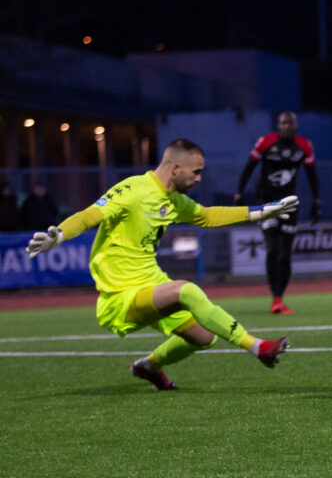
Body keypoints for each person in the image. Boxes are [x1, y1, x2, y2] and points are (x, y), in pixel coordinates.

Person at [26, 139, 298, 390]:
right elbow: (88, 216)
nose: (199, 178)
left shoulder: (174, 200)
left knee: (204, 337)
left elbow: (208, 215)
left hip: (152, 284)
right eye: (196, 172)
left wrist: (261, 211)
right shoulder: (133, 189)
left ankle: (148, 366)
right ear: (176, 168)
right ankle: (258, 347)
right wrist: (60, 234)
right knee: (187, 291)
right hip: (122, 295)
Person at [234, 111, 321, 315]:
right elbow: (249, 168)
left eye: (290, 123)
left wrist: (317, 201)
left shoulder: (304, 146)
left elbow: (311, 174)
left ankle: (279, 299)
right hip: (266, 203)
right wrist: (239, 193)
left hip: (289, 204)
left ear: (295, 125)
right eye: (283, 123)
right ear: (278, 125)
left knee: (284, 255)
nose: (286, 126)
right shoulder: (265, 142)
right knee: (272, 250)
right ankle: (275, 297)